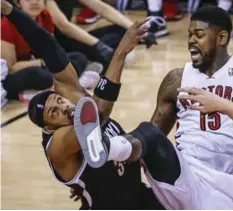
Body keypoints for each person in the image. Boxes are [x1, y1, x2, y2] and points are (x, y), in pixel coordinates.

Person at [0, 1, 163, 209]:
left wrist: (10, 11)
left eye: (59, 101)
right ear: (49, 127)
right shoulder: (58, 145)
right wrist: (120, 52)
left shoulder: (75, 103)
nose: (64, 108)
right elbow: (99, 113)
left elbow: (49, 48)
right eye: (54, 113)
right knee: (144, 132)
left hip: (140, 197)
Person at [74, 6, 233, 210]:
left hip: (229, 188)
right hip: (184, 178)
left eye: (199, 34)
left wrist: (222, 105)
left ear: (221, 38)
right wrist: (94, 177)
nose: (191, 41)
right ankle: (104, 147)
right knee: (150, 135)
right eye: (189, 35)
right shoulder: (176, 80)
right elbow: (147, 141)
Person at [1, 0, 87, 100]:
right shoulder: (5, 25)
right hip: (16, 75)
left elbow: (52, 51)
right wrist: (41, 62)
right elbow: (11, 68)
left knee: (78, 58)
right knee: (37, 74)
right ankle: (68, 83)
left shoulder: (45, 16)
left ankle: (56, 86)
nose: (34, 2)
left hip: (42, 66)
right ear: (18, 3)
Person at [50, 0, 157, 71]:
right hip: (56, 45)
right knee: (81, 56)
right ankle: (90, 63)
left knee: (122, 31)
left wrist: (138, 30)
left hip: (71, 40)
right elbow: (63, 26)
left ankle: (97, 61)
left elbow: (102, 8)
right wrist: (98, 45)